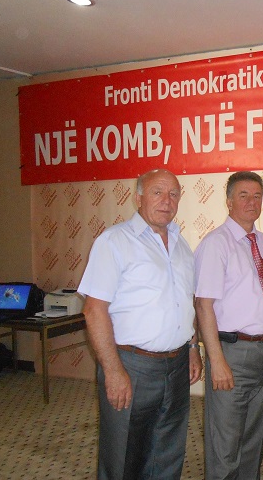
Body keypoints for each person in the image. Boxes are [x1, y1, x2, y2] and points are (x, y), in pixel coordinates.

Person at [79, 168, 202, 480]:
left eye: (173, 194)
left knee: (168, 453)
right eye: (157, 192)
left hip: (176, 365)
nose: (166, 201)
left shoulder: (182, 245)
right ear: (138, 198)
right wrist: (113, 371)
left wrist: (192, 348)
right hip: (131, 366)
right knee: (125, 456)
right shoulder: (114, 241)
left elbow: (185, 304)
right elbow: (94, 311)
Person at [194, 171, 263, 480]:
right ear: (229, 201)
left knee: (253, 437)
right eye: (243, 195)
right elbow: (203, 306)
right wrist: (216, 360)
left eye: (257, 196)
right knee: (225, 441)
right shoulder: (216, 244)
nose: (251, 202)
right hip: (231, 353)